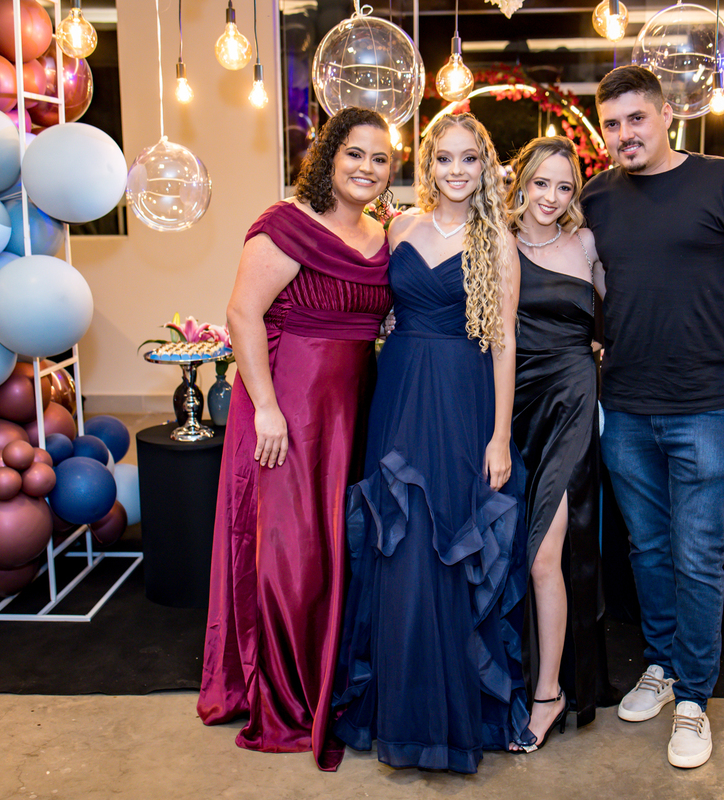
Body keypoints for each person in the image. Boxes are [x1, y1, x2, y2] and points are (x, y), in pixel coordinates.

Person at [581, 65, 724, 769]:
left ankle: (694, 696)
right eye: (611, 123)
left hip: (705, 405)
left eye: (636, 118)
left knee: (699, 555)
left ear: (668, 114)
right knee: (647, 549)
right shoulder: (596, 197)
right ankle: (663, 664)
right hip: (626, 406)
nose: (624, 134)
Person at [197, 107, 395, 772]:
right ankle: (288, 695)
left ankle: (332, 681)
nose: (367, 168)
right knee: (294, 553)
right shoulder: (287, 224)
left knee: (342, 548)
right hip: (290, 410)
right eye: (355, 154)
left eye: (380, 159)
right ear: (329, 156)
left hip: (354, 412)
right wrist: (266, 408)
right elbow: (241, 313)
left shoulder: (381, 234)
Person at [333, 113, 530, 773]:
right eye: (444, 158)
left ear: (485, 167)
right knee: (399, 537)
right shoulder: (399, 229)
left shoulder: (496, 241)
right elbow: (371, 303)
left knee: (449, 541)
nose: (456, 171)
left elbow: (504, 343)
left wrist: (500, 435)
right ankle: (399, 710)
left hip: (462, 398)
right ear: (428, 165)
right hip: (398, 393)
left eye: (468, 159)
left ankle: (450, 719)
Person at [504, 136, 608, 752]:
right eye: (541, 183)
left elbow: (623, 312)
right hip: (509, 404)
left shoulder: (586, 244)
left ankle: (549, 692)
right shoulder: (496, 241)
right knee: (511, 549)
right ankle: (512, 676)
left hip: (570, 398)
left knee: (545, 554)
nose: (551, 197)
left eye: (564, 187)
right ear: (521, 182)